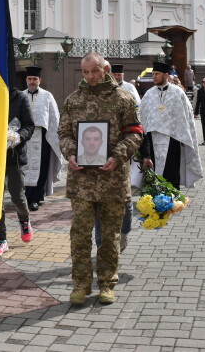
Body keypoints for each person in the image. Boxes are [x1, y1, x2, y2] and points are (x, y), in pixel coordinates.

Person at [57, 52, 142, 305]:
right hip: (82, 181)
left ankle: (106, 282)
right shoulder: (73, 100)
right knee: (80, 235)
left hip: (112, 180)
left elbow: (135, 133)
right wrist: (70, 153)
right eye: (85, 72)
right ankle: (81, 285)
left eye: (94, 71)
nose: (90, 77)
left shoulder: (122, 99)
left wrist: (117, 155)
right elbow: (63, 133)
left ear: (105, 69)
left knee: (109, 236)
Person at [96, 63, 140, 253]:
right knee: (98, 206)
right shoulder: (89, 94)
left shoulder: (127, 93)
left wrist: (128, 152)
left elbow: (137, 126)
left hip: (120, 157)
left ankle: (124, 232)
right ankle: (101, 247)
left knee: (125, 201)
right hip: (95, 158)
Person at [139, 61, 203, 190]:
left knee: (172, 171)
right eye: (153, 74)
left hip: (173, 138)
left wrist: (186, 135)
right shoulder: (148, 94)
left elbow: (187, 115)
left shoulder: (178, 93)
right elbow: (143, 117)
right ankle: (153, 201)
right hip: (152, 139)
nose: (154, 77)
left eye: (157, 74)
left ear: (166, 75)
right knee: (153, 173)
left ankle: (172, 200)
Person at [0, 87, 35, 257]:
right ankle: (1, 239)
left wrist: (19, 137)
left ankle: (24, 221)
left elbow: (29, 125)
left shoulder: (20, 98)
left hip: (14, 156)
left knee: (17, 196)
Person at [22, 67, 61, 212]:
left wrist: (53, 135)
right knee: (25, 167)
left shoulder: (47, 96)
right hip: (24, 138)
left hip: (42, 137)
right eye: (30, 79)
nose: (32, 82)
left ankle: (36, 198)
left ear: (40, 80)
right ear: (26, 80)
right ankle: (26, 196)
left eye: (35, 79)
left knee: (41, 167)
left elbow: (54, 117)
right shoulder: (20, 96)